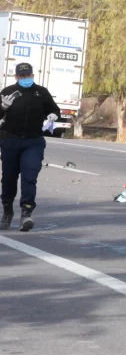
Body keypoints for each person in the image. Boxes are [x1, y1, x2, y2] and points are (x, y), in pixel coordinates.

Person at [0, 62, 60, 232]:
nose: (25, 79)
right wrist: (3, 107)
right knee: (9, 178)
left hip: (33, 142)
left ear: (33, 76)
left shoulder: (41, 92)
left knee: (29, 176)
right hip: (10, 140)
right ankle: (7, 211)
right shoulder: (7, 92)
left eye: (28, 76)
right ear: (16, 77)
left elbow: (55, 109)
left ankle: (26, 213)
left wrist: (53, 115)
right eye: (21, 76)